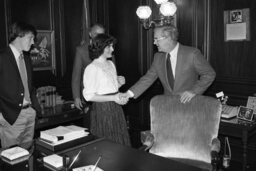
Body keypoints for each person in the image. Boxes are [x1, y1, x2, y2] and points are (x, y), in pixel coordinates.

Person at [124, 25, 216, 103]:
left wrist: (193, 91)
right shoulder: (158, 57)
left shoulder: (192, 53)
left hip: (189, 103)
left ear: (168, 38)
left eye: (156, 39)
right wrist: (128, 94)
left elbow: (209, 74)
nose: (154, 42)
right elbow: (148, 79)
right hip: (168, 105)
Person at [82, 33, 130, 146]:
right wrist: (114, 97)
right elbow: (89, 96)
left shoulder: (111, 63)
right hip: (102, 110)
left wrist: (118, 84)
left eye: (112, 46)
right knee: (108, 145)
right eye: (109, 46)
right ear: (100, 47)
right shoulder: (91, 68)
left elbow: (107, 88)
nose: (112, 49)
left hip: (116, 108)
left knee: (120, 143)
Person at [0, 21, 41, 148]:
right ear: (19, 36)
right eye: (30, 38)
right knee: (12, 161)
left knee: (28, 157)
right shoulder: (2, 58)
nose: (33, 42)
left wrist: (35, 109)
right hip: (11, 117)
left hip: (29, 113)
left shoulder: (26, 58)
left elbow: (30, 86)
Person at [72, 23, 105, 110]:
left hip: (106, 93)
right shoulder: (81, 50)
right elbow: (76, 76)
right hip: (89, 94)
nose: (99, 37)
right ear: (90, 34)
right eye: (96, 34)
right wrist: (76, 97)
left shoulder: (108, 49)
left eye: (101, 35)